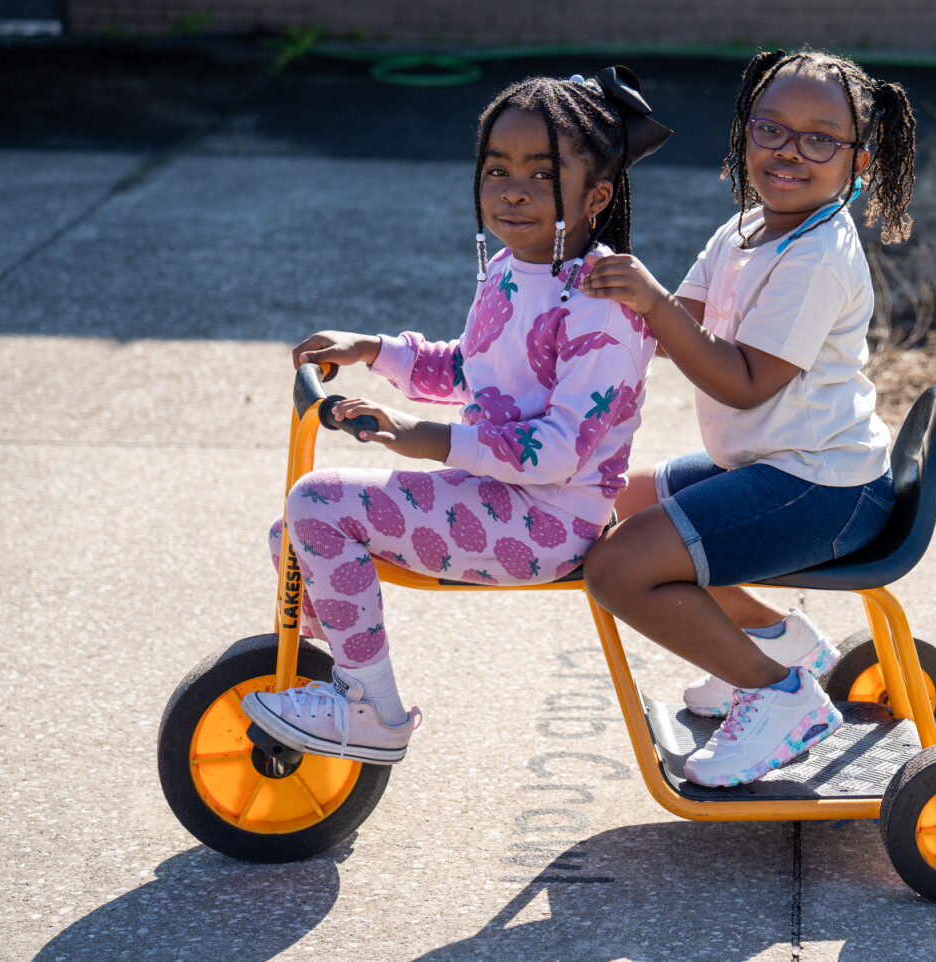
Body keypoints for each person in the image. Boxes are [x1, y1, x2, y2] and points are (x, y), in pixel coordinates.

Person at [242, 67, 671, 764]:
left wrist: (428, 438)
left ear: (596, 196)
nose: (512, 190)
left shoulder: (602, 305)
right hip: (498, 496)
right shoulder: (510, 270)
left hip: (546, 521)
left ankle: (369, 709)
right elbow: (472, 371)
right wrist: (374, 349)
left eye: (541, 174)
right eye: (497, 169)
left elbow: (556, 451)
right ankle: (342, 680)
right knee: (292, 533)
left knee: (317, 504)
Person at [581, 49, 916, 788]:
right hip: (776, 466)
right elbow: (667, 328)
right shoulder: (745, 230)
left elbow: (743, 384)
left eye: (820, 139)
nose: (790, 151)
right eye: (772, 129)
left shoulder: (817, 255)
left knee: (616, 568)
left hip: (821, 487)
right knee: (619, 499)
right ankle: (775, 639)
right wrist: (581, 274)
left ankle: (778, 696)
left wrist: (650, 300)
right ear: (745, 135)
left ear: (858, 162)